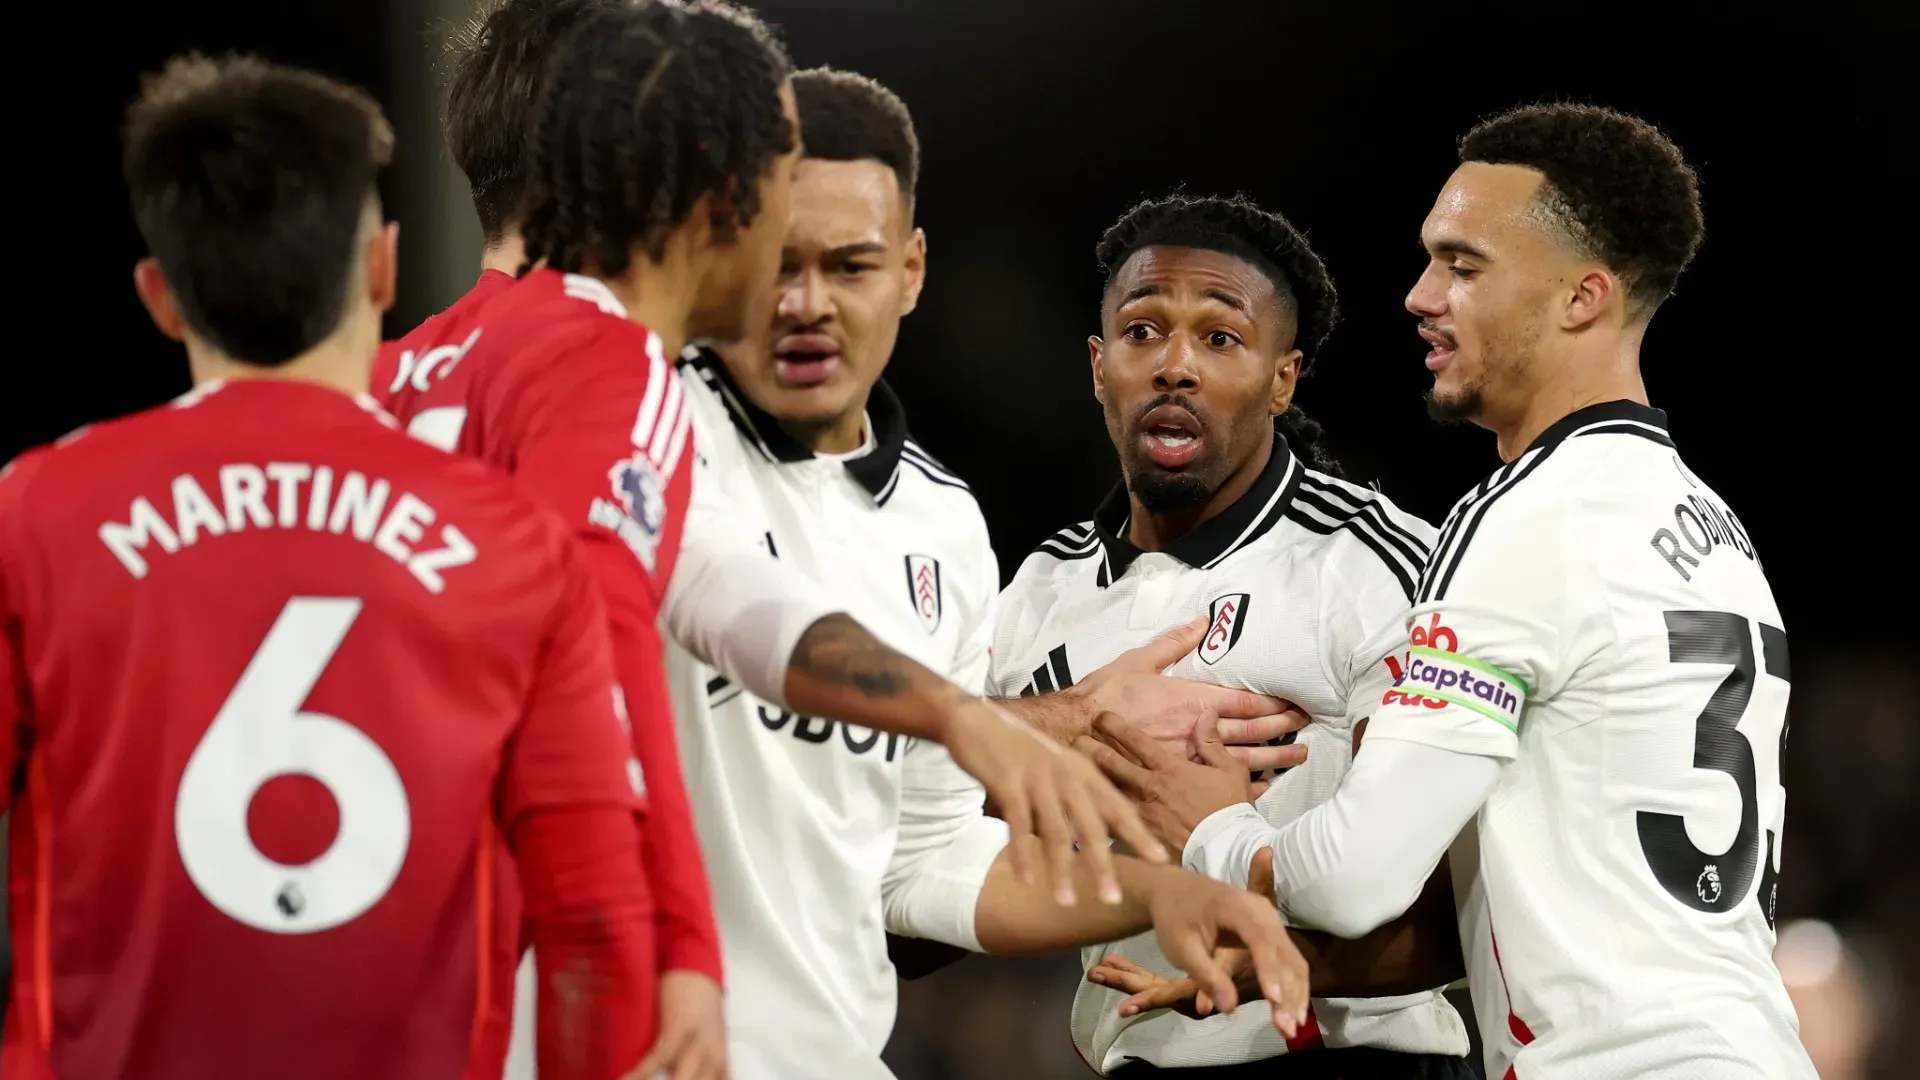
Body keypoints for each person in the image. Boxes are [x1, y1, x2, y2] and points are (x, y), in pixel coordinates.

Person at [379, 4, 1181, 1075]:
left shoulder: (382, 393)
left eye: (846, 263)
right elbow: (597, 692)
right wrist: (684, 965)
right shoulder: (617, 383)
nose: (785, 272)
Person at [0, 55, 655, 1080]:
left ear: (160, 297)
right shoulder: (517, 546)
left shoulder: (35, 514)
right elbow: (597, 927)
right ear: (384, 268)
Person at [665, 72, 1318, 1080]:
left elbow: (922, 861)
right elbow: (737, 619)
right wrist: (1038, 724)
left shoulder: (941, 524)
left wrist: (1158, 892)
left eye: (849, 266)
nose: (806, 303)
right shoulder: (644, 438)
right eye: (773, 263)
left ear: (912, 270)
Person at [1153, 104, 1815, 1079]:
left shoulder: (1526, 518)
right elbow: (1578, 889)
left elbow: (1355, 875)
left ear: (1581, 298)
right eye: (1429, 260)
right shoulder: (1713, 528)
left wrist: (1215, 830)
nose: (1421, 295)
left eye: (1464, 267)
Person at [986, 193, 1472, 1079]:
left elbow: (1463, 913)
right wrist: (1069, 750)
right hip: (1132, 1054)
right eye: (1141, 332)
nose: (1174, 366)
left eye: (1219, 338)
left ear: (1282, 379)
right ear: (1099, 366)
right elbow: (928, 888)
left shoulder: (1373, 563)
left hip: (1356, 1056)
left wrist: (1277, 966)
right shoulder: (1033, 596)